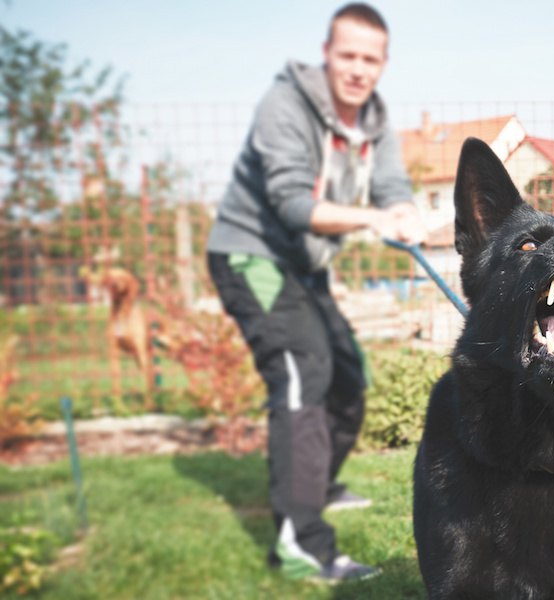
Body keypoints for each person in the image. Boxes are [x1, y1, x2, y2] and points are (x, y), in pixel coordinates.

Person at [206, 3, 423, 582]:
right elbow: (291, 203)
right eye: (347, 55)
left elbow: (393, 185)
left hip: (304, 268)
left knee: (349, 376)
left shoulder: (375, 121)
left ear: (384, 63)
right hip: (252, 254)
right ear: (327, 53)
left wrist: (401, 211)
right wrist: (370, 219)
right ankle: (302, 544)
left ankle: (317, 482)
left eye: (369, 59)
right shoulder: (285, 106)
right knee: (304, 369)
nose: (357, 69)